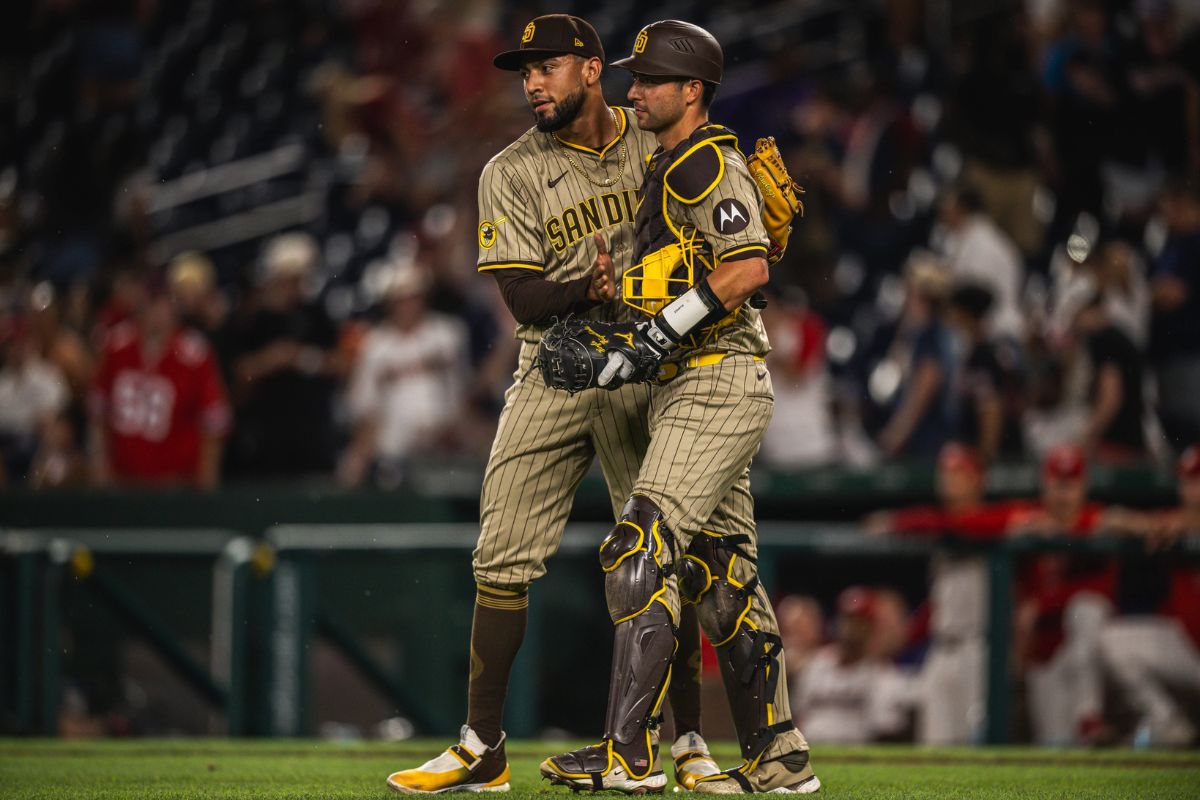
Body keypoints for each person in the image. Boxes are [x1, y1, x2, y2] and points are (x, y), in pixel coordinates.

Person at [385, 15, 717, 794]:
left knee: (664, 551)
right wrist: (585, 288)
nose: (532, 81)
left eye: (548, 66)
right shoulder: (508, 169)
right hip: (556, 360)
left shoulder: (655, 137)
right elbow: (521, 298)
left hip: (647, 357)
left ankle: (689, 738)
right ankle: (483, 747)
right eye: (524, 70)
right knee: (499, 552)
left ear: (593, 70)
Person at [541, 20, 818, 794]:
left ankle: (627, 753)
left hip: (716, 377)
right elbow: (686, 274)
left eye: (651, 79)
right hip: (691, 380)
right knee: (723, 575)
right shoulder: (668, 167)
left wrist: (655, 334)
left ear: (691, 90)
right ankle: (780, 758)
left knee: (640, 550)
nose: (634, 90)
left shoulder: (703, 161)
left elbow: (749, 265)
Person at [1099, 445, 1200, 747]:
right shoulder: (1173, 521)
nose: (1192, 489)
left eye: (1198, 480)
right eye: (1187, 480)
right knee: (1114, 640)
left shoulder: (1183, 523)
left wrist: (1190, 525)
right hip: (1190, 651)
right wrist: (1148, 525)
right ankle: (1168, 722)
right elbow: (1111, 518)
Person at [88, 276, 230, 488]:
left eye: (162, 303)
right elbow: (97, 413)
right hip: (123, 480)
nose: (156, 312)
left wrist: (205, 485)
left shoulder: (194, 354)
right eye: (150, 303)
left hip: (176, 485)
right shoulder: (116, 346)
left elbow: (214, 423)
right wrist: (100, 472)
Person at [339, 261, 469, 488]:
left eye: (414, 297)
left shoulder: (447, 332)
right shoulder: (374, 345)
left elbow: (463, 393)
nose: (408, 305)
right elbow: (363, 408)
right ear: (390, 303)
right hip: (392, 456)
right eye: (401, 299)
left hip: (447, 447)